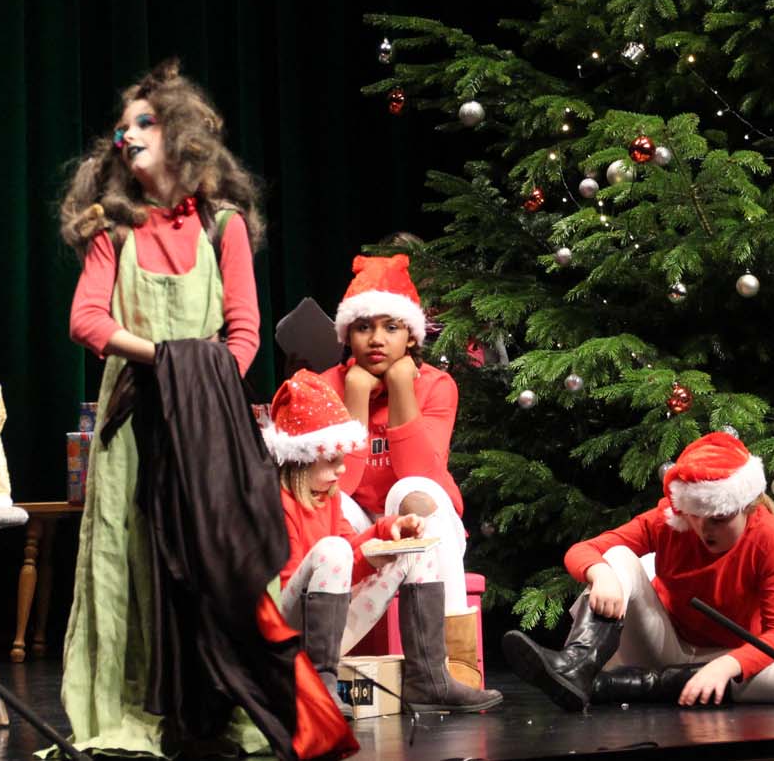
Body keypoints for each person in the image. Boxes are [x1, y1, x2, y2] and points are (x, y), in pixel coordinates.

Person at [57, 59, 264, 756]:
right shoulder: (113, 231)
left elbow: (243, 333)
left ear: (181, 134)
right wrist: (169, 360)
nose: (128, 135)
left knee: (210, 561)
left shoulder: (223, 226)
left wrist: (203, 387)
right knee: (129, 555)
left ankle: (218, 707)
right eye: (123, 127)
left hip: (206, 421)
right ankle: (129, 707)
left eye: (144, 121)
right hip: (134, 418)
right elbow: (87, 320)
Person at [503, 431, 774, 710]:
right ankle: (577, 664)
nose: (704, 529)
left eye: (718, 518)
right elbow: (583, 550)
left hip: (727, 655)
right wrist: (601, 573)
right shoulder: (669, 519)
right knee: (617, 556)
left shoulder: (768, 537)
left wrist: (727, 665)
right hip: (663, 642)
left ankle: (616, 685)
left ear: (745, 506)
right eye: (695, 514)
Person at [267, 369, 502, 713]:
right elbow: (290, 585)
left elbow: (349, 557)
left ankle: (428, 680)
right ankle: (315, 686)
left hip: (326, 633)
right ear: (301, 458)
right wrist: (357, 559)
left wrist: (387, 533)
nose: (342, 469)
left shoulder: (326, 498)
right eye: (332, 460)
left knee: (417, 545)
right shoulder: (274, 504)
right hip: (283, 637)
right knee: (333, 550)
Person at [318, 255, 477, 616]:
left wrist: (402, 385)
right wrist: (356, 396)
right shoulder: (326, 387)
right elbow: (338, 486)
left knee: (413, 490)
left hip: (426, 523)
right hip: (356, 526)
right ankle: (334, 642)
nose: (377, 340)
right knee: (329, 499)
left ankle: (449, 638)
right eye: (363, 327)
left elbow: (421, 475)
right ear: (348, 335)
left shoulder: (436, 385)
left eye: (391, 327)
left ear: (410, 336)